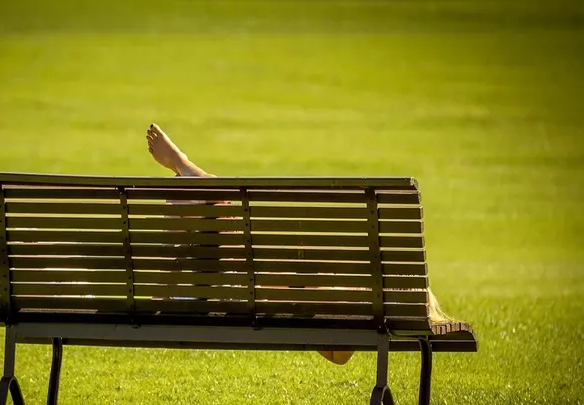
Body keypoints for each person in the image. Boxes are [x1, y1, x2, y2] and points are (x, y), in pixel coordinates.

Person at [144, 124, 452, 365]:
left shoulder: (348, 301)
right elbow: (336, 356)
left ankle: (193, 174)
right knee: (222, 229)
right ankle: (195, 179)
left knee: (226, 220)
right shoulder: (354, 328)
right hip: (235, 293)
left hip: (233, 287)